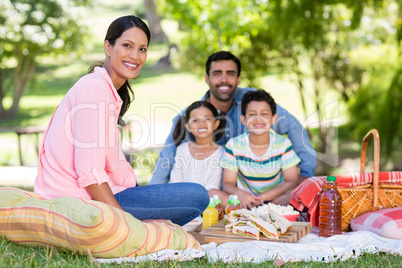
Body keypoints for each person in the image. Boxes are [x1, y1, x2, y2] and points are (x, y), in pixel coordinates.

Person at [34, 15, 209, 226]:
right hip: (79, 200)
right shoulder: (94, 88)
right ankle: (145, 228)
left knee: (177, 194)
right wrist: (124, 225)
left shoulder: (106, 90)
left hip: (100, 194)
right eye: (127, 45)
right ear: (108, 47)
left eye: (142, 49)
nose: (135, 56)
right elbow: (90, 173)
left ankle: (152, 228)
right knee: (197, 195)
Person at [150, 51, 316, 185]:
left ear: (238, 79)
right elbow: (167, 158)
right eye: (217, 74)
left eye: (230, 74)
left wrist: (306, 175)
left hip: (253, 190)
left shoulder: (253, 102)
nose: (224, 79)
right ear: (207, 78)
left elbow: (293, 127)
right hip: (212, 194)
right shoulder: (192, 116)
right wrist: (153, 198)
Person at [221, 90, 300, 209]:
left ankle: (264, 211)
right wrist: (241, 194)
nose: (258, 119)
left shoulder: (283, 144)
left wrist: (264, 197)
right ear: (243, 120)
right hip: (245, 201)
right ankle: (250, 211)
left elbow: (292, 181)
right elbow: (227, 184)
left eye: (264, 114)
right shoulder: (234, 145)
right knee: (213, 193)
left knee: (296, 194)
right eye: (252, 114)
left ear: (274, 119)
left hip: (275, 200)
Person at [169, 100, 229, 207]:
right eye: (195, 120)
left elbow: (212, 189)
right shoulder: (182, 150)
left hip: (209, 208)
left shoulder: (222, 154)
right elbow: (175, 184)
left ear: (216, 124)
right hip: (181, 206)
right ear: (188, 126)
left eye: (207, 119)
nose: (201, 124)